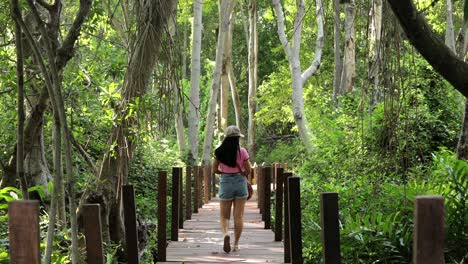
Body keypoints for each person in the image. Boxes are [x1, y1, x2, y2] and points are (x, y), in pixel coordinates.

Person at [212, 125, 252, 253]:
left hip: (226, 182)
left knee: (224, 216)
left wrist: (224, 172)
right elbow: (248, 170)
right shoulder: (243, 152)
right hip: (240, 182)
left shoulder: (219, 152)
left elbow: (214, 170)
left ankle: (225, 234)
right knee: (239, 216)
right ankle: (235, 245)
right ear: (238, 138)